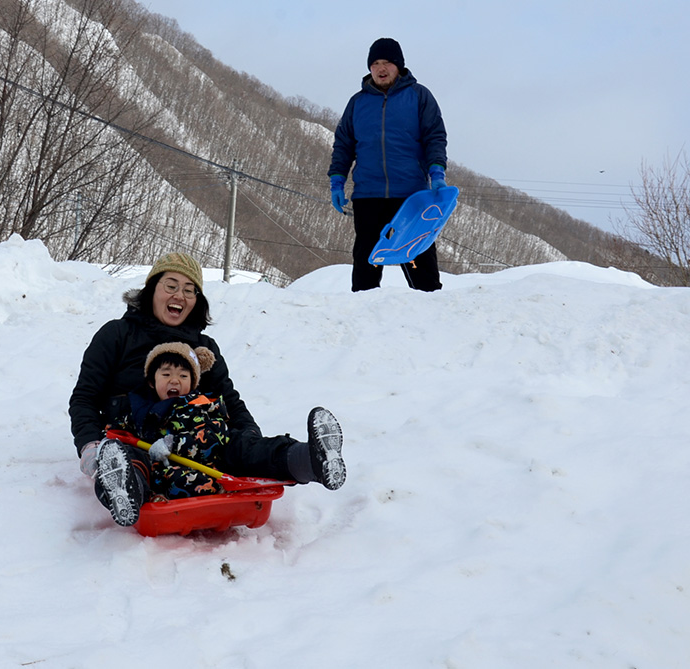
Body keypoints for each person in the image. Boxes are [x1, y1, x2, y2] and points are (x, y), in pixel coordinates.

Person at [69, 252, 346, 527]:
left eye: (189, 290)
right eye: (171, 285)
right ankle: (125, 489)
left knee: (244, 449)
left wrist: (249, 437)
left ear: (196, 301)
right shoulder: (117, 335)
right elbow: (85, 397)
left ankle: (312, 460)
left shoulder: (205, 348)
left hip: (200, 441)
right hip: (140, 441)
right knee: (131, 463)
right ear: (152, 289)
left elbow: (230, 400)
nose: (180, 295)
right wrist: (90, 445)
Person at [328, 37, 448, 292]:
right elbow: (343, 144)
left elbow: (434, 136)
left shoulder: (419, 96)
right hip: (368, 194)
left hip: (410, 196)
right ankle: (362, 313)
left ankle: (431, 309)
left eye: (387, 63)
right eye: (376, 63)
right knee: (367, 260)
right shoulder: (358, 103)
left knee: (417, 258)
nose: (381, 68)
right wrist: (337, 180)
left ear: (399, 66)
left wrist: (436, 170)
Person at [120, 341, 227, 500]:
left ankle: (155, 497)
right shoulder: (144, 410)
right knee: (131, 468)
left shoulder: (200, 406)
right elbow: (121, 429)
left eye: (183, 376)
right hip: (152, 472)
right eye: (166, 374)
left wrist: (173, 443)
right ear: (151, 381)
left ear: (192, 383)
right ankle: (133, 494)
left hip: (192, 469)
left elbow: (214, 438)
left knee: (191, 481)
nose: (175, 380)